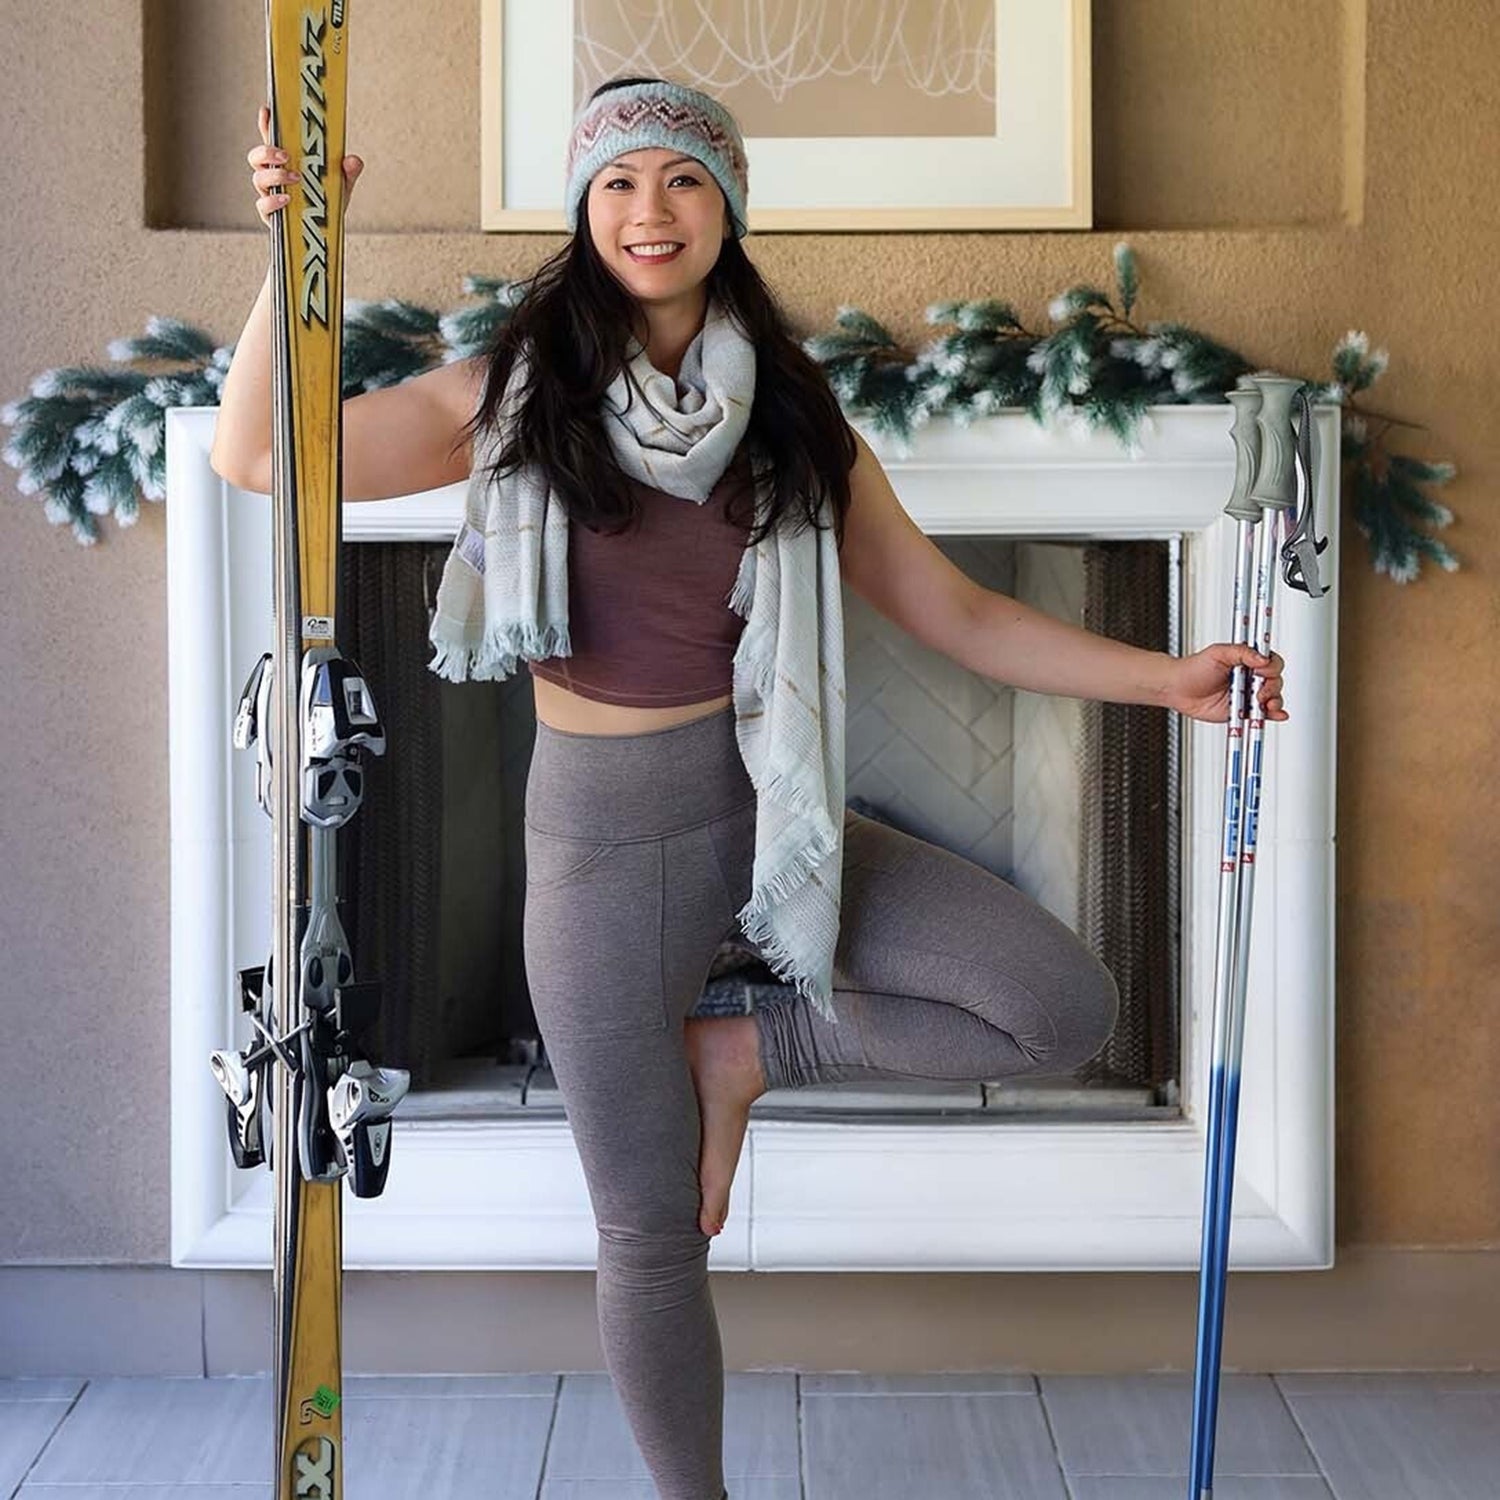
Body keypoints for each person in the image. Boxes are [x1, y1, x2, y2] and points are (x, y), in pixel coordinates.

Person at [212, 76, 1288, 1500]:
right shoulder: (510, 393)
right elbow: (255, 455)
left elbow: (955, 614)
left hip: (770, 819)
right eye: (617, 184)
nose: (648, 213)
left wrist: (1170, 680)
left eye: (681, 183)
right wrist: (299, 261)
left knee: (1059, 1006)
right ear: (583, 212)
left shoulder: (789, 408)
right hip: (601, 857)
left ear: (726, 210)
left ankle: (746, 1053)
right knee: (651, 1231)